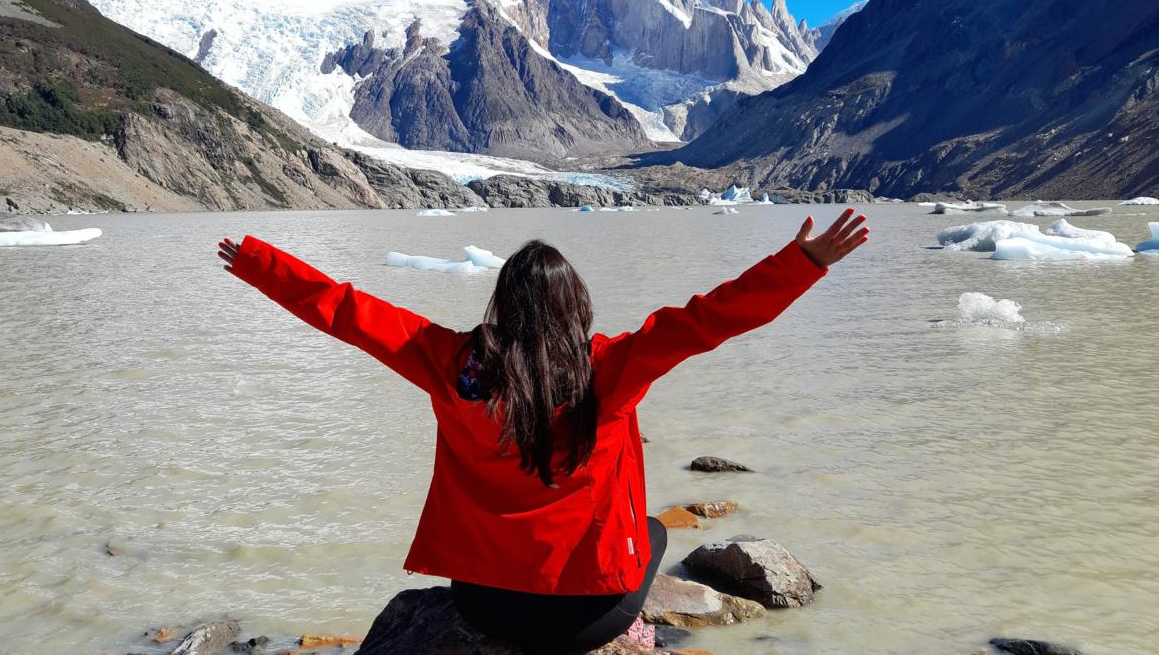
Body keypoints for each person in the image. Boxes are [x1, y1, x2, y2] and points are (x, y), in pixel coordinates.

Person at [217, 208, 868, 652]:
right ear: (575, 307)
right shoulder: (607, 370)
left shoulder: (450, 364)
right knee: (656, 530)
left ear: (501, 305)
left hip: (484, 607)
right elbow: (708, 319)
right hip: (587, 617)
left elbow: (347, 312)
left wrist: (257, 262)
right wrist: (803, 262)